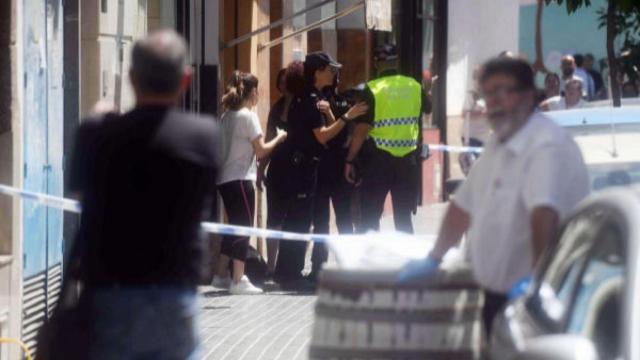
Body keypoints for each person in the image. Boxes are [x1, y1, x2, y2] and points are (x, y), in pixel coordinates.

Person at [400, 57, 590, 336]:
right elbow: (463, 207)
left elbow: (544, 218)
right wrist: (434, 257)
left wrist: (538, 285)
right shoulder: (501, 141)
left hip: (538, 305)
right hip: (496, 299)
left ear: (529, 96)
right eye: (489, 93)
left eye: (504, 91)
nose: (495, 101)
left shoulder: (546, 146)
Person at [68, 30, 219, 359]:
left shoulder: (96, 134)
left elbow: (80, 194)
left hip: (110, 291)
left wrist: (99, 117)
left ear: (132, 78)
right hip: (173, 292)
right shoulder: (203, 136)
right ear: (186, 79)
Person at [270, 53, 367, 289]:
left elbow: (329, 137)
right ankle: (291, 275)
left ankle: (288, 273)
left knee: (301, 221)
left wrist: (337, 116)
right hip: (302, 168)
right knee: (301, 222)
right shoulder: (311, 99)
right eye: (329, 69)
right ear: (317, 72)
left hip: (308, 167)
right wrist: (347, 116)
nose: (333, 74)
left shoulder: (313, 98)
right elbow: (322, 136)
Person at [211, 71, 287, 295]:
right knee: (244, 227)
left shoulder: (226, 117)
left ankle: (220, 275)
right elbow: (261, 150)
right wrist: (280, 137)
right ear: (253, 92)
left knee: (234, 226)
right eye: (258, 91)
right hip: (241, 178)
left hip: (224, 180)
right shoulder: (248, 116)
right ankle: (238, 279)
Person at [345, 56, 426, 234]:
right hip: (407, 162)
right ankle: (408, 260)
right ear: (396, 64)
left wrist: (350, 160)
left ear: (377, 64)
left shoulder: (373, 89)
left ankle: (370, 260)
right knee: (404, 219)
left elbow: (361, 129)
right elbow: (426, 110)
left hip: (378, 162)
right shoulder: (414, 86)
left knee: (370, 217)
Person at [309, 72, 355, 281]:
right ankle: (318, 266)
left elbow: (342, 137)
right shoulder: (314, 101)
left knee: (344, 218)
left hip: (337, 168)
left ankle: (346, 265)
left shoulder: (344, 101)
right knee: (320, 222)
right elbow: (320, 138)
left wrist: (329, 114)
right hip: (321, 168)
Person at [258, 68, 292, 279]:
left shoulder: (302, 106)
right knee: (274, 219)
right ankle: (272, 267)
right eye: (281, 82)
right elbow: (270, 138)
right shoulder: (276, 108)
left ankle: (287, 265)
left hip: (298, 171)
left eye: (287, 82)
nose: (283, 86)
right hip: (278, 169)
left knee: (294, 219)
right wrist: (261, 169)